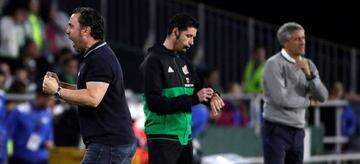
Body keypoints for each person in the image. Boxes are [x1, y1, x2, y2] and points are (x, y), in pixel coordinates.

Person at [42, 7, 136, 163]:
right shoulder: (96, 55)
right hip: (113, 143)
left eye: (71, 26)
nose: (66, 31)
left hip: (108, 144)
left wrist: (57, 91)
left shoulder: (99, 58)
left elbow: (93, 98)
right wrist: (61, 86)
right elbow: (86, 92)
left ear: (85, 30)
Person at [140, 13, 224, 164]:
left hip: (185, 138)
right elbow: (154, 103)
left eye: (194, 37)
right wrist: (194, 99)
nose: (192, 42)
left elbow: (202, 87)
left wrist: (213, 96)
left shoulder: (184, 61)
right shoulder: (153, 61)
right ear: (175, 32)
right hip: (163, 138)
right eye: (189, 36)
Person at [261, 22, 328, 164]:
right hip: (276, 129)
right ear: (285, 42)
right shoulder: (273, 64)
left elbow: (323, 96)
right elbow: (281, 100)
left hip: (298, 130)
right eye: (297, 39)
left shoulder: (308, 65)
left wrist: (309, 75)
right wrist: (308, 102)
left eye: (303, 38)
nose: (302, 42)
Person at [6, 88, 54, 164]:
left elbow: (49, 136)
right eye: (48, 99)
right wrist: (8, 155)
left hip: (42, 159)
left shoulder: (47, 113)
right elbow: (8, 135)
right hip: (20, 159)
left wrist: (49, 142)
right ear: (40, 97)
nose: (50, 102)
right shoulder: (19, 111)